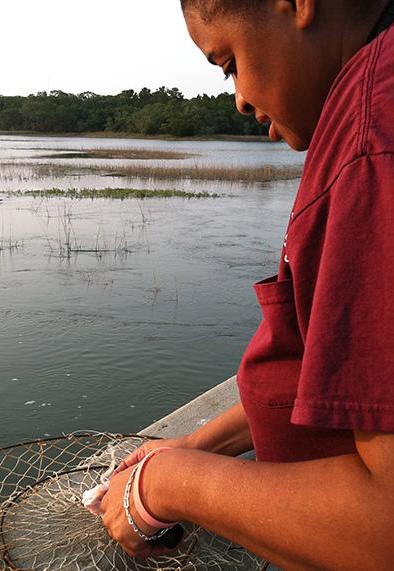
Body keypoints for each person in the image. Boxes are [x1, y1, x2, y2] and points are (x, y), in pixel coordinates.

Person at [100, 1, 394, 568]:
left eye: (229, 62)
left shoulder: (371, 148)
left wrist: (167, 483)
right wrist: (194, 445)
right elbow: (342, 380)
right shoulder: (365, 101)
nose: (237, 97)